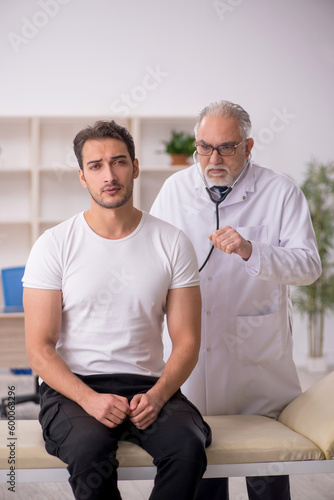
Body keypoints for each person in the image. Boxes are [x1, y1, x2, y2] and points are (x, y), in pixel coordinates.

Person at [23, 120, 211, 500]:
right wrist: (89, 399)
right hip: (74, 389)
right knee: (91, 452)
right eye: (96, 166)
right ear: (82, 176)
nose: (109, 175)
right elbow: (39, 348)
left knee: (188, 448)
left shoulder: (172, 242)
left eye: (119, 162)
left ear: (136, 167)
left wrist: (158, 395)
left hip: (148, 387)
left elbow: (188, 341)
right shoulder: (54, 244)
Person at [150, 100, 322, 500]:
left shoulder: (280, 192)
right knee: (204, 468)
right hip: (194, 360)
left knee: (266, 472)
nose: (213, 158)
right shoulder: (175, 189)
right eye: (204, 147)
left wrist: (251, 250)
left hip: (256, 363)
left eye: (226, 147)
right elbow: (152, 256)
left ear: (249, 146)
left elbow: (309, 267)